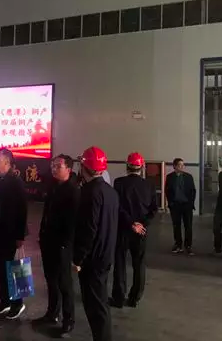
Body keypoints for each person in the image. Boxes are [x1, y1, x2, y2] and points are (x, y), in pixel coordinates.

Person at [73, 146, 119, 341]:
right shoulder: (110, 191)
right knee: (100, 303)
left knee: (96, 307)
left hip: (92, 259)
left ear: (84, 167)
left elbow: (89, 230)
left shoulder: (89, 193)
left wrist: (78, 259)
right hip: (106, 254)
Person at [35, 154, 79, 336]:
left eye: (58, 166)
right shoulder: (53, 186)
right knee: (51, 279)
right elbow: (46, 213)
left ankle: (68, 320)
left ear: (68, 169)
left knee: (64, 283)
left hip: (62, 245)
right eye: (53, 165)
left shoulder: (73, 191)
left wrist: (66, 245)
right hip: (48, 241)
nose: (54, 169)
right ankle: (52, 312)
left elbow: (73, 223)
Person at [110, 152, 157, 309]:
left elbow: (118, 207)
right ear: (142, 167)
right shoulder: (149, 185)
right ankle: (135, 298)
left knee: (120, 263)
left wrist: (131, 223)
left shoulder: (119, 183)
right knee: (139, 264)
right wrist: (141, 224)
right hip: (141, 231)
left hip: (123, 229)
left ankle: (118, 298)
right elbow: (153, 209)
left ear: (127, 166)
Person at [0, 148, 28, 320]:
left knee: (13, 269)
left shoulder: (16, 182)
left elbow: (22, 210)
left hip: (11, 233)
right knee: (0, 267)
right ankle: (5, 300)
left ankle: (17, 303)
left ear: (7, 161)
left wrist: (20, 235)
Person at [165, 158, 197, 255]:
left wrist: (191, 203)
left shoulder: (188, 177)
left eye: (183, 165)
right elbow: (167, 191)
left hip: (186, 205)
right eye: (180, 165)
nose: (182, 167)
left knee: (188, 226)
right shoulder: (170, 177)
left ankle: (188, 245)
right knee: (176, 226)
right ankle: (178, 244)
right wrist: (170, 203)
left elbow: (193, 191)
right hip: (175, 205)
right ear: (174, 166)